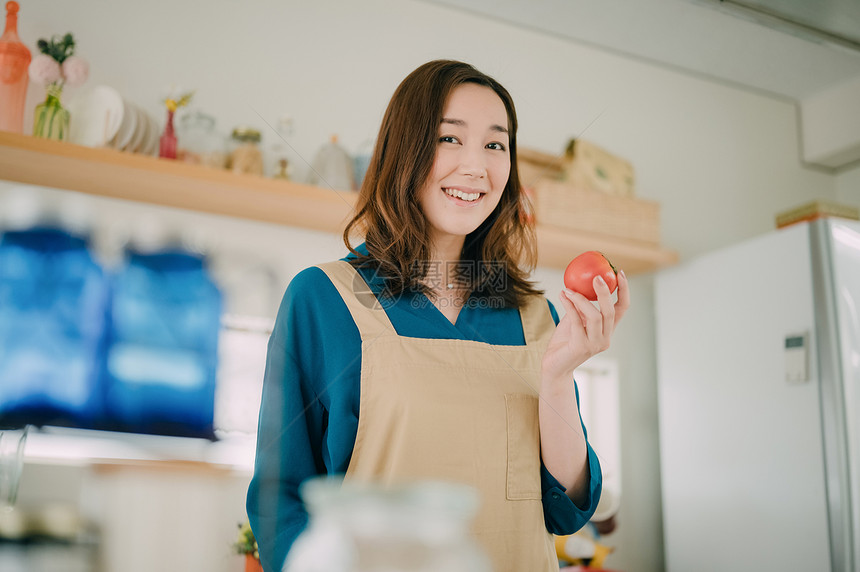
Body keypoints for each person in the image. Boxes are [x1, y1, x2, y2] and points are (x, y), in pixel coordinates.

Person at [246, 59, 630, 572]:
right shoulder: (324, 298)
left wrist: (558, 377)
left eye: (496, 144)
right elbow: (280, 498)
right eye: (451, 139)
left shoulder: (537, 315)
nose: (476, 166)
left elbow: (566, 509)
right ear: (404, 150)